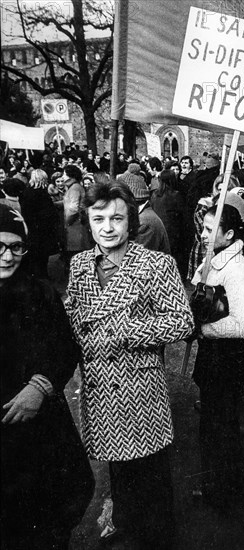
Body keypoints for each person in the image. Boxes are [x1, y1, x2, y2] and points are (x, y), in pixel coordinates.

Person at [65, 180, 194, 549]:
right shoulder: (79, 265)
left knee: (151, 479)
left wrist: (125, 331)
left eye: (117, 218)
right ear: (87, 222)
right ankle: (125, 525)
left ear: (131, 221)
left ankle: (154, 540)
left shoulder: (155, 264)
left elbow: (182, 321)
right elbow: (75, 318)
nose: (107, 227)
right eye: (99, 218)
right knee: (119, 474)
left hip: (139, 391)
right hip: (100, 388)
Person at [0, 204, 94, 550]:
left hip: (40, 428)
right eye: (0, 246)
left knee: (50, 516)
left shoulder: (40, 293)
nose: (8, 256)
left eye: (16, 246)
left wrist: (39, 387)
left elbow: (65, 347)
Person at [191, 193, 244, 510]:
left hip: (225, 364)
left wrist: (205, 329)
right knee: (211, 430)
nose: (203, 235)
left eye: (209, 229)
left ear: (230, 235)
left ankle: (225, 495)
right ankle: (215, 486)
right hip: (211, 361)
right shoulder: (214, 259)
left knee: (222, 431)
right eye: (203, 228)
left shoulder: (239, 270)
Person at [20, 169, 59, 278]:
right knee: (42, 259)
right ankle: (43, 280)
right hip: (43, 231)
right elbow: (50, 214)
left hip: (31, 229)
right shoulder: (43, 194)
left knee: (34, 258)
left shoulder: (26, 192)